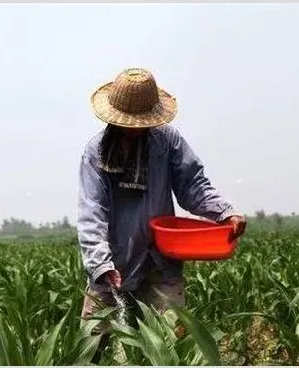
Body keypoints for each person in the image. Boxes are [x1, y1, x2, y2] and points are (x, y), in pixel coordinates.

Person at [76, 68, 247, 363]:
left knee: (168, 346)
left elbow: (193, 185)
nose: (135, 128)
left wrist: (224, 212)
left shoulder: (166, 142)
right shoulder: (96, 153)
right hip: (111, 263)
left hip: (159, 261)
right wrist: (101, 264)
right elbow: (92, 211)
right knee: (91, 348)